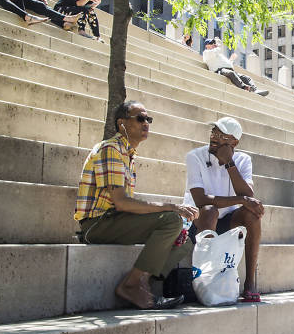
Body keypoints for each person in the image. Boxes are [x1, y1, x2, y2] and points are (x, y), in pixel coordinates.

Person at [74, 101, 197, 309]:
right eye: (140, 118)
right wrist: (171, 207)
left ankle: (143, 285)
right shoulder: (111, 149)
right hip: (97, 224)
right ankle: (131, 285)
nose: (146, 123)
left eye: (148, 119)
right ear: (122, 123)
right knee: (171, 221)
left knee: (184, 239)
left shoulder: (127, 154)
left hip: (115, 220)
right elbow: (122, 203)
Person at [184, 117, 264, 302]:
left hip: (228, 222)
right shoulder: (195, 156)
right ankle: (206, 281)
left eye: (221, 135)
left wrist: (229, 163)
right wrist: (241, 200)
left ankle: (250, 283)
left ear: (234, 142)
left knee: (252, 214)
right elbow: (199, 199)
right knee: (210, 210)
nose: (214, 137)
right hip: (199, 220)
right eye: (213, 132)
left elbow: (249, 196)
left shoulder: (243, 160)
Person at [201, 38, 268, 96]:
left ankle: (255, 90)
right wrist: (218, 46)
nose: (214, 44)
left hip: (228, 69)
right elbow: (216, 52)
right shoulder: (206, 53)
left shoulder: (218, 54)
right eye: (211, 43)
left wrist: (231, 60)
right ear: (207, 46)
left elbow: (224, 63)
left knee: (247, 78)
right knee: (231, 73)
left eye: (214, 43)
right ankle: (244, 87)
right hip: (219, 70)